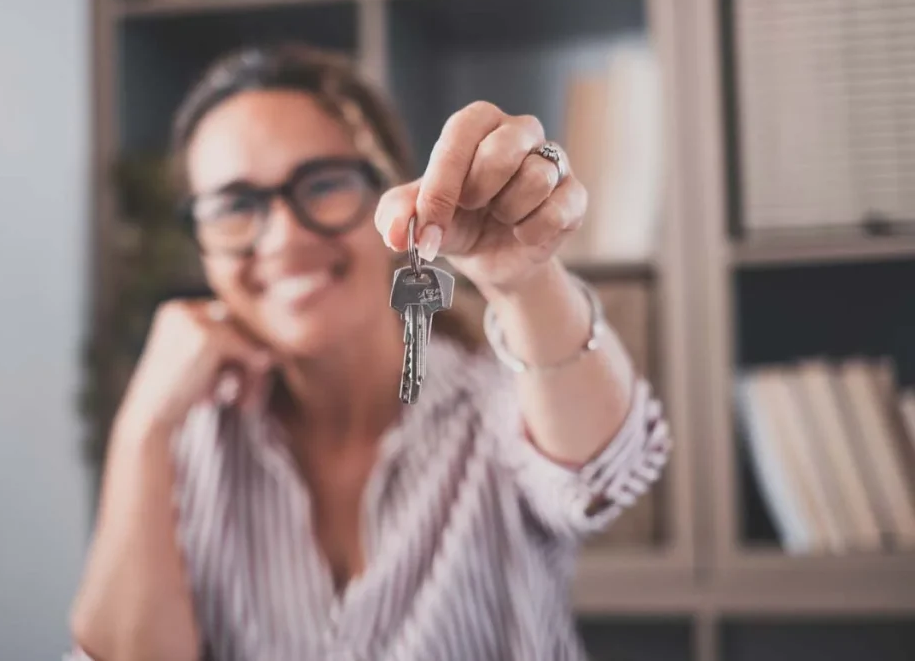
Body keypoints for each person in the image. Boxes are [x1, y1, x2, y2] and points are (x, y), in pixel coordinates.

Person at [69, 44, 671, 661]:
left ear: (392, 197)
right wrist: (142, 427)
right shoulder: (193, 443)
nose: (283, 237)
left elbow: (609, 469)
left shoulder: (493, 403)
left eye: (323, 184)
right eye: (235, 206)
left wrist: (524, 281)